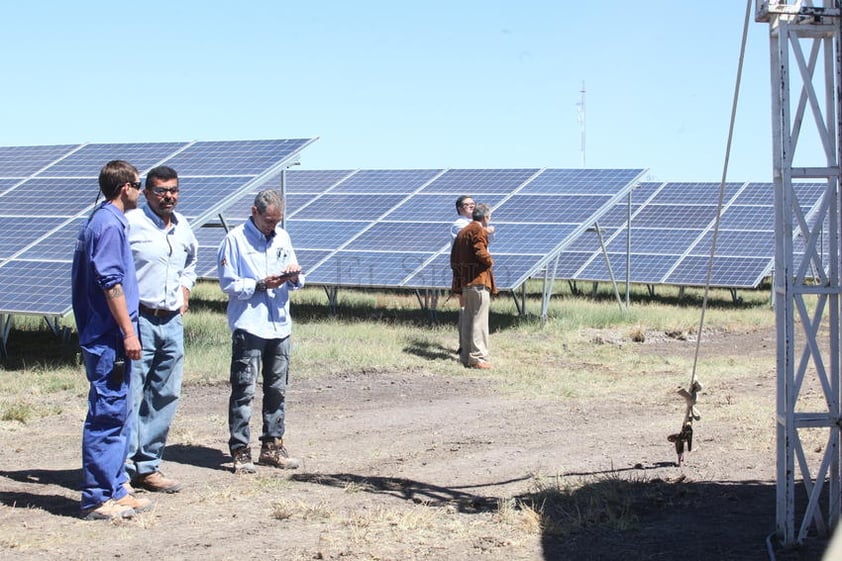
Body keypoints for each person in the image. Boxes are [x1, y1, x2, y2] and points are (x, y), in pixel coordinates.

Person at [71, 160, 153, 520]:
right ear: (125, 188)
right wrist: (129, 332)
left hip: (112, 337)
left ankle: (117, 487)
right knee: (106, 415)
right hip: (109, 338)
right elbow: (111, 284)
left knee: (119, 413)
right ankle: (96, 497)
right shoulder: (107, 225)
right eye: (139, 184)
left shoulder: (108, 221)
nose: (141, 190)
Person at [217, 189, 304, 474]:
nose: (273, 226)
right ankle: (240, 450)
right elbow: (228, 283)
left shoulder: (283, 237)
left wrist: (293, 275)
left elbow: (298, 279)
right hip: (250, 324)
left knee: (277, 389)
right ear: (254, 212)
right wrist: (258, 284)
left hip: (279, 325)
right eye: (268, 221)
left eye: (277, 221)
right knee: (244, 389)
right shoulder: (235, 240)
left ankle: (272, 446)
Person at [125, 165, 198, 493]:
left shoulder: (183, 227)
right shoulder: (131, 224)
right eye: (160, 191)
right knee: (131, 394)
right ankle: (122, 470)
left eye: (173, 190)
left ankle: (148, 466)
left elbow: (191, 263)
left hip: (172, 322)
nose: (168, 196)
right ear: (145, 193)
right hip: (140, 319)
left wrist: (185, 289)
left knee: (165, 394)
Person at [450, 203, 497, 369]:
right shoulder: (477, 230)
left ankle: (466, 356)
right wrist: (490, 261)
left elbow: (453, 258)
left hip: (466, 282)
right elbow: (480, 251)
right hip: (478, 281)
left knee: (469, 319)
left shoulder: (462, 232)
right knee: (480, 320)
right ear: (485, 217)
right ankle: (478, 357)